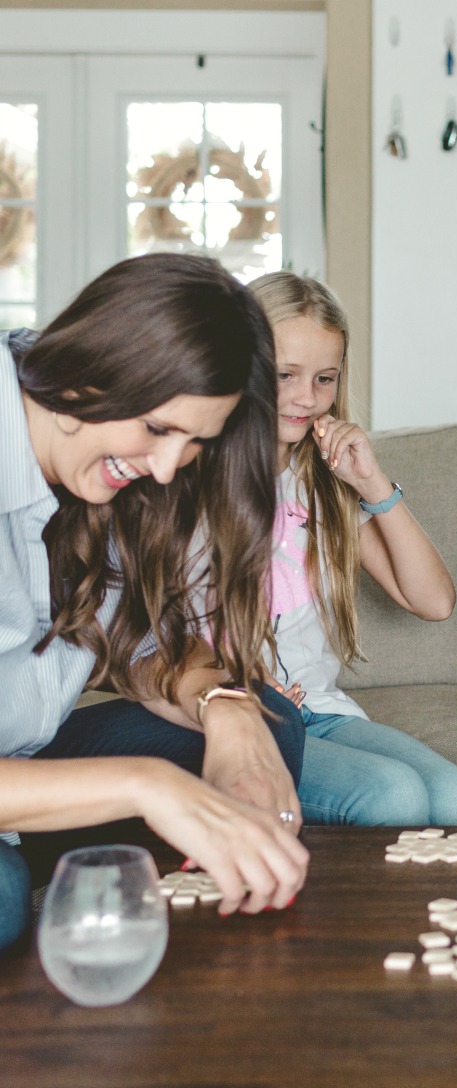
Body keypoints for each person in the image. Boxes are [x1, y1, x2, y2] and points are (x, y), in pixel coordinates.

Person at [0, 253, 310, 952]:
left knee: (268, 724)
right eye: (160, 429)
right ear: (99, 364)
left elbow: (147, 647)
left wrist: (223, 710)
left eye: (195, 441)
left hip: (20, 770)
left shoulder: (96, 482)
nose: (168, 466)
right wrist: (146, 787)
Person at [247, 272, 457, 826]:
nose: (307, 397)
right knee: (393, 797)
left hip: (321, 714)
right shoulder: (193, 475)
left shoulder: (323, 488)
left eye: (324, 379)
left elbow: (434, 602)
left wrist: (372, 483)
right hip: (243, 719)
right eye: (285, 375)